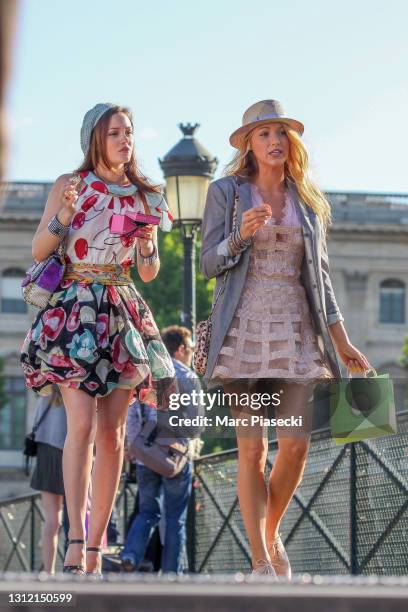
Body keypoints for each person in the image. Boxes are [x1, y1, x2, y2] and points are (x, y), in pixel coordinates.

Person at [200, 99, 371, 578]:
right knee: (252, 450)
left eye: (281, 133)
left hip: (295, 335)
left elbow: (321, 280)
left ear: (291, 143)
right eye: (264, 134)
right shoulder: (226, 192)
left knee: (294, 444)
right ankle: (261, 562)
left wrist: (342, 342)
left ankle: (269, 534)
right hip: (241, 335)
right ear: (249, 145)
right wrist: (239, 236)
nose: (275, 141)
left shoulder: (307, 202)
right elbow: (208, 263)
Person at [21, 103, 175, 575]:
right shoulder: (72, 184)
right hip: (74, 308)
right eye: (114, 133)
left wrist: (148, 246)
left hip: (121, 308)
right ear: (95, 138)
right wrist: (64, 214)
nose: (124, 140)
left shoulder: (148, 195)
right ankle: (74, 537)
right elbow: (40, 250)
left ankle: (94, 548)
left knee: (111, 436)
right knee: (82, 427)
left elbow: (148, 273)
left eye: (128, 132)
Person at [121, 326, 204, 573]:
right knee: (175, 519)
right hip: (175, 458)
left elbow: (132, 413)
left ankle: (131, 556)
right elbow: (196, 425)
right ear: (180, 350)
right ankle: (171, 575)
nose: (191, 354)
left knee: (147, 511)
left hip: (146, 456)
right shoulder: (187, 377)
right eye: (190, 349)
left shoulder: (146, 373)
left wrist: (134, 446)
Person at [29, 386, 67, 573]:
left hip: (47, 449)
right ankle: (78, 567)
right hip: (72, 451)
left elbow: (35, 418)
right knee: (79, 518)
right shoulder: (79, 382)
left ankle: (49, 573)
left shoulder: (47, 383)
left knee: (52, 520)